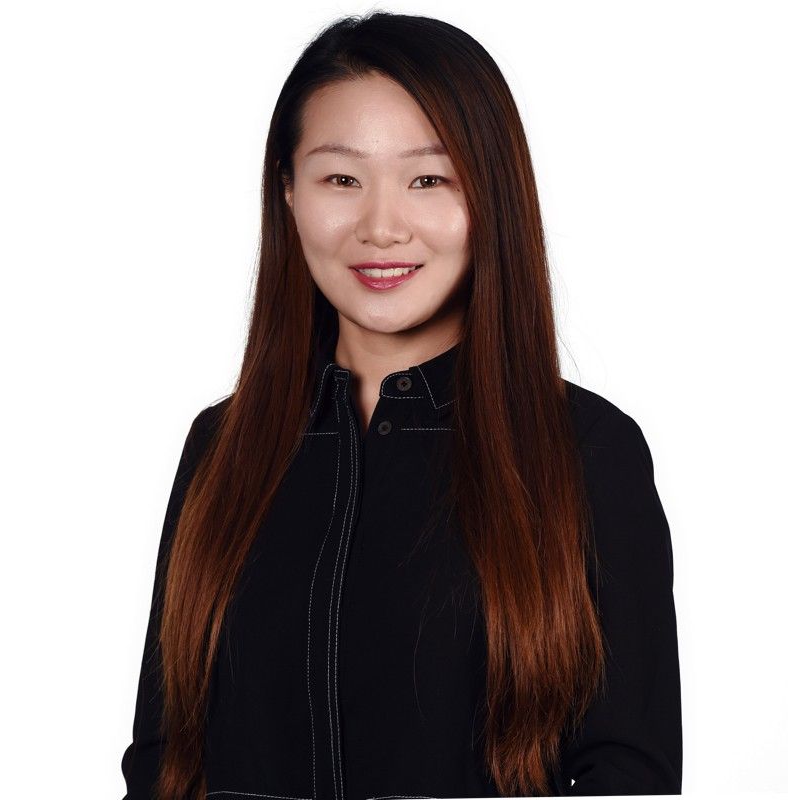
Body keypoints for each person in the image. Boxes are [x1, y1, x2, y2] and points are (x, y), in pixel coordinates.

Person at [120, 11, 682, 799]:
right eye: (341, 180)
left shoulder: (585, 448)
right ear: (288, 192)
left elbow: (628, 773)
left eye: (429, 180)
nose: (381, 228)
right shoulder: (222, 445)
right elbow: (164, 760)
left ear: (490, 194)